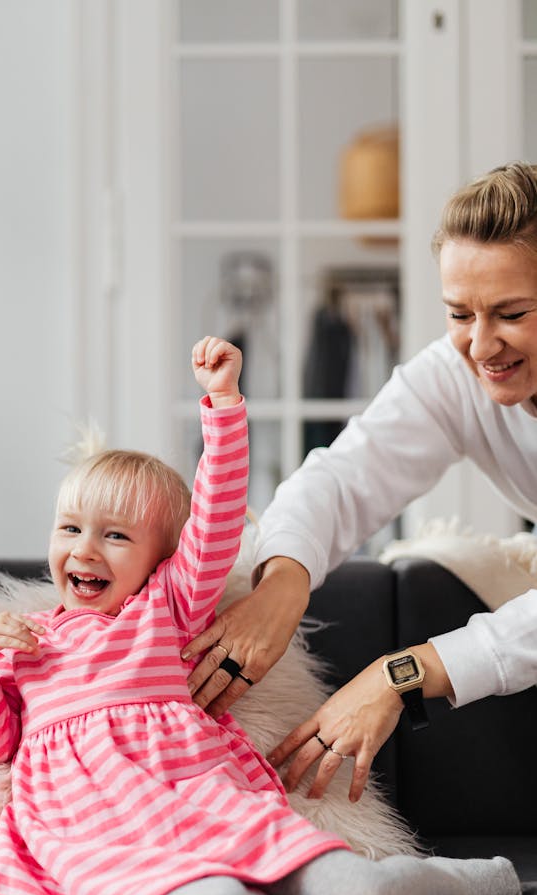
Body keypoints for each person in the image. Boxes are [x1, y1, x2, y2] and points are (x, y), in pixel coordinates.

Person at [0, 336, 520, 895]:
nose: (85, 549)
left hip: (208, 810)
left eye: (115, 536)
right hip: (96, 847)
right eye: (70, 529)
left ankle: (453, 883)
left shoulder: (163, 609)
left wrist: (222, 406)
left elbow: (217, 519)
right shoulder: (24, 644)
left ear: (160, 560)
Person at [182, 161, 537, 808]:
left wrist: (401, 674)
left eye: (510, 313)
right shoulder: (454, 377)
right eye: (460, 313)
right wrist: (283, 582)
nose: (482, 344)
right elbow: (343, 477)